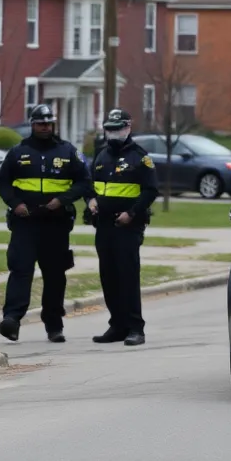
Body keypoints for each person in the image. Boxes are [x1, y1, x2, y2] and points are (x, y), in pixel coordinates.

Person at [0, 104, 90, 343]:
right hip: (25, 222)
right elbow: (3, 183)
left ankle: (54, 325)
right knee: (20, 270)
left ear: (53, 124)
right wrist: (15, 203)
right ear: (32, 124)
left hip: (56, 224)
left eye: (48, 123)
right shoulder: (18, 152)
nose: (45, 127)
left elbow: (84, 183)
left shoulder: (68, 152)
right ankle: (12, 320)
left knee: (55, 275)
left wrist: (62, 199)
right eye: (40, 123)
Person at [86, 109, 158, 347]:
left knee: (127, 276)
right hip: (104, 224)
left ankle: (136, 328)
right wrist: (91, 201)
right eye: (110, 129)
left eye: (118, 128)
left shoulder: (140, 157)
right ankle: (117, 325)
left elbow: (150, 190)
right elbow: (89, 186)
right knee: (108, 276)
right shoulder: (101, 156)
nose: (113, 133)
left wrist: (132, 213)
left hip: (128, 225)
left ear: (128, 127)